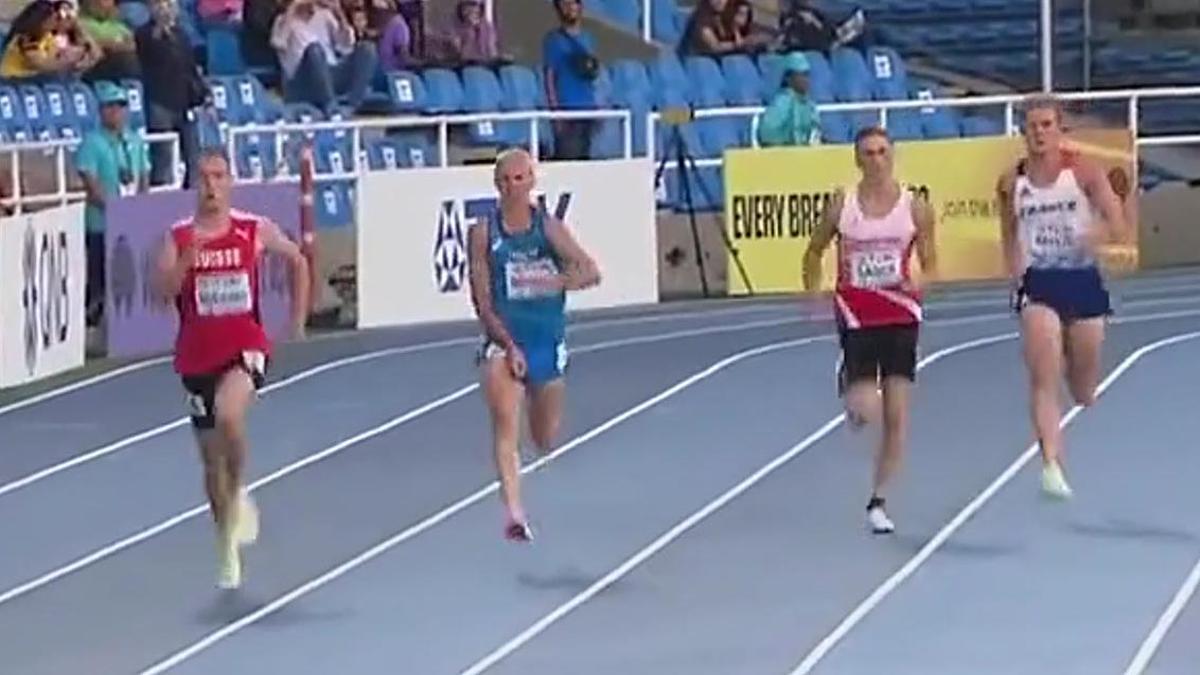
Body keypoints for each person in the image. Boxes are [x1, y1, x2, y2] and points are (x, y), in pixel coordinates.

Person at [154, 148, 310, 588]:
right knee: (209, 463)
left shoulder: (251, 229)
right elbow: (162, 291)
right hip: (196, 354)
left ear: (230, 181)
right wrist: (187, 262)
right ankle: (225, 541)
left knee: (230, 416)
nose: (211, 185)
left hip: (245, 346)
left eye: (219, 176)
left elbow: (296, 259)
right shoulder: (178, 237)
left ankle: (240, 492)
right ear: (194, 183)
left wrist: (296, 318)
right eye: (204, 177)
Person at [802, 126, 937, 534]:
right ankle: (851, 382)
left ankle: (878, 500)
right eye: (868, 153)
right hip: (857, 314)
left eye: (882, 152)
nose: (876, 160)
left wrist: (921, 283)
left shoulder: (915, 207)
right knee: (866, 411)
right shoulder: (842, 205)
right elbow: (814, 250)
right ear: (857, 160)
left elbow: (931, 261)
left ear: (892, 156)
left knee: (897, 416)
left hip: (900, 313)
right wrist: (813, 292)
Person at [467, 148, 601, 542]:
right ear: (496, 185)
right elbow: (482, 300)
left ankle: (537, 424)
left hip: (547, 341)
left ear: (532, 181)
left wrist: (558, 282)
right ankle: (513, 512)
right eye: (505, 181)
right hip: (505, 342)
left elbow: (590, 270)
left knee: (543, 437)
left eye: (519, 179)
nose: (512, 187)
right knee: (505, 423)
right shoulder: (483, 234)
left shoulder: (549, 229)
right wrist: (508, 345)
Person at [996, 95, 1126, 499]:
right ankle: (1051, 464)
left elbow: (1118, 224)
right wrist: (1014, 271)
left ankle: (1080, 373)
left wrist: (1098, 235)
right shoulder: (1010, 182)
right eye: (1032, 126)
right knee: (1043, 372)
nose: (1039, 133)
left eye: (1047, 125)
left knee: (1084, 391)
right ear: (1023, 132)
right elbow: (1008, 233)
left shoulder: (1084, 172)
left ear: (1059, 130)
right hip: (1040, 283)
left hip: (1083, 279)